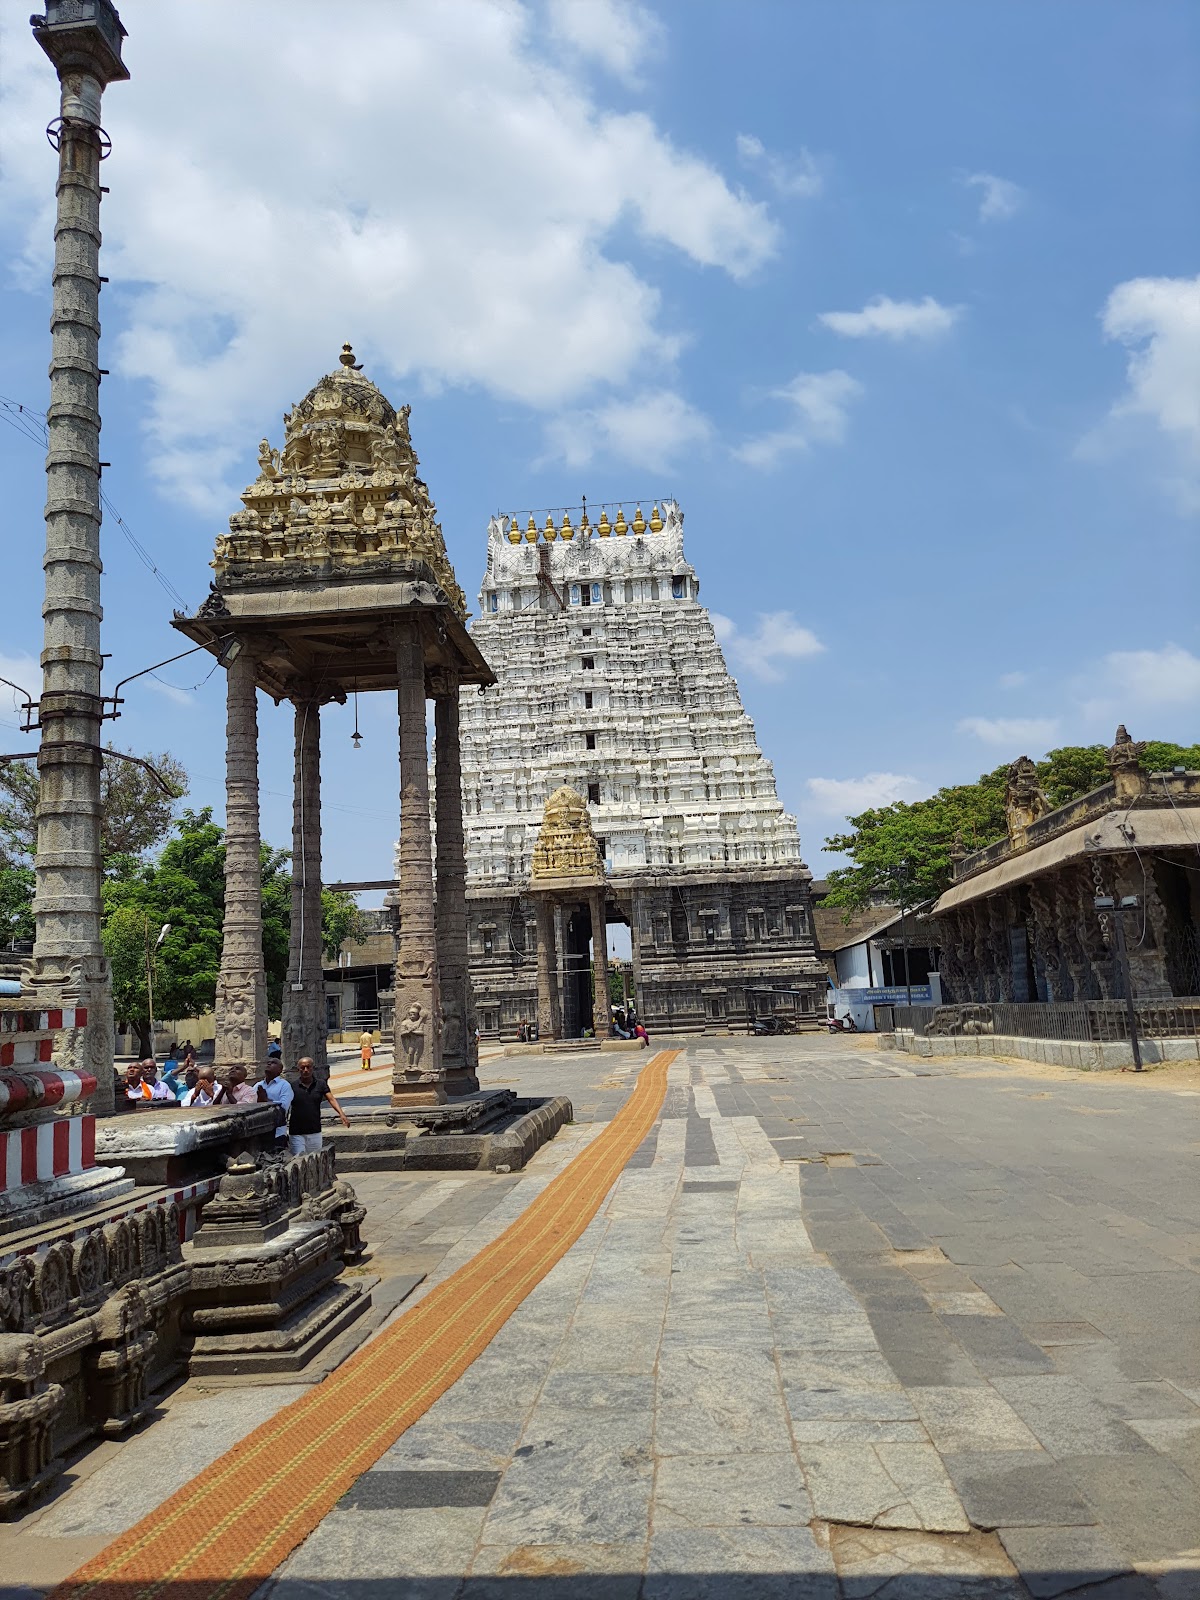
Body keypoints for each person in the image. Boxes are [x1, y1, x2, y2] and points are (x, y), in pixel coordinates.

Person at [287, 1057, 349, 1155]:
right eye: (303, 1068)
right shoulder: (292, 1086)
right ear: (298, 1069)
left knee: (315, 1159)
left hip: (314, 1130)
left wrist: (341, 1114)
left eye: (308, 1067)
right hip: (296, 1131)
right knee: (298, 1159)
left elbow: (331, 1099)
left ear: (313, 1068)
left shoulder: (321, 1084)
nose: (306, 1070)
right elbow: (285, 1104)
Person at [258, 1056, 293, 1143]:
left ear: (280, 1070)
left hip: (277, 1133)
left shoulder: (284, 1086)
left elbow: (283, 1109)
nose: (269, 1064)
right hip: (259, 1133)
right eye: (268, 1063)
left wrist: (266, 1100)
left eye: (273, 1063)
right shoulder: (258, 1085)